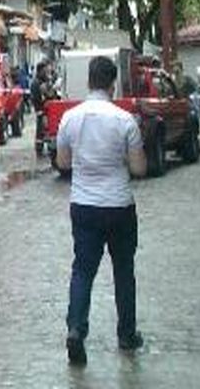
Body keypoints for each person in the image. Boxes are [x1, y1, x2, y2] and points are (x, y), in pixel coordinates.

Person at [56, 55, 147, 366]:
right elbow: (138, 168)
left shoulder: (70, 118)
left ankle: (76, 330)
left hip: (83, 206)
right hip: (120, 206)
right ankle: (126, 334)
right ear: (113, 84)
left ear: (89, 82)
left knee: (83, 270)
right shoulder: (125, 121)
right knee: (124, 271)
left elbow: (63, 163)